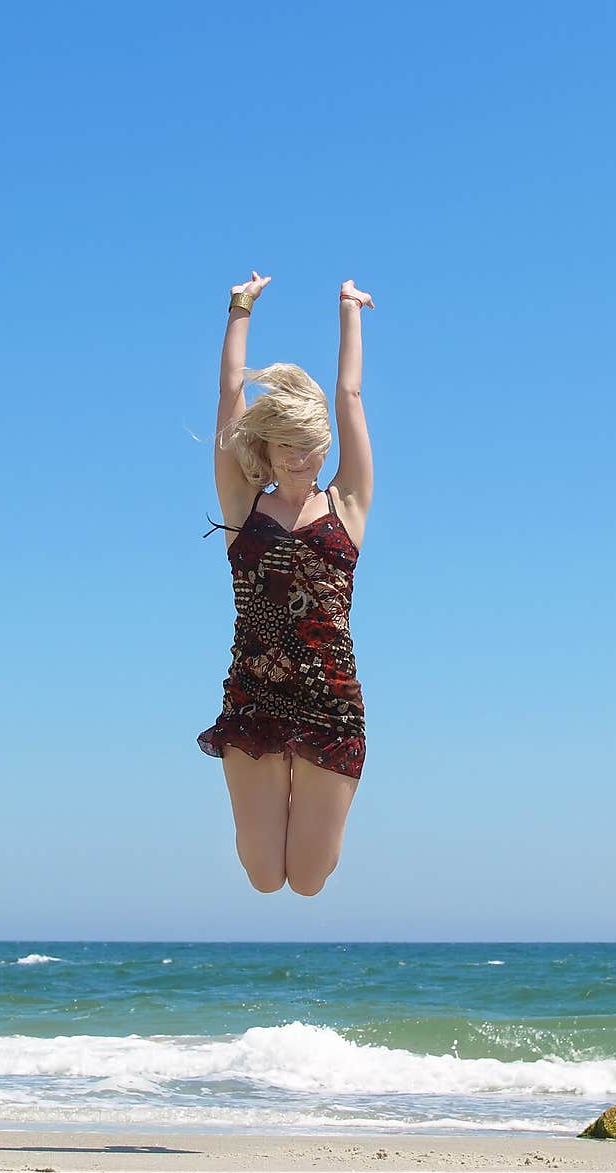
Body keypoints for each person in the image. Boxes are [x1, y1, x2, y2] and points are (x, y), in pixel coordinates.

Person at [197, 271, 375, 897]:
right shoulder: (243, 507)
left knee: (309, 880)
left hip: (330, 701)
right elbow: (228, 399)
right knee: (264, 877)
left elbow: (349, 394)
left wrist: (349, 310)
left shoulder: (347, 506)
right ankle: (275, 784)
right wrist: (239, 309)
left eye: (312, 447)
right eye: (290, 447)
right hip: (255, 695)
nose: (303, 460)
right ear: (267, 449)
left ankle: (307, 780)